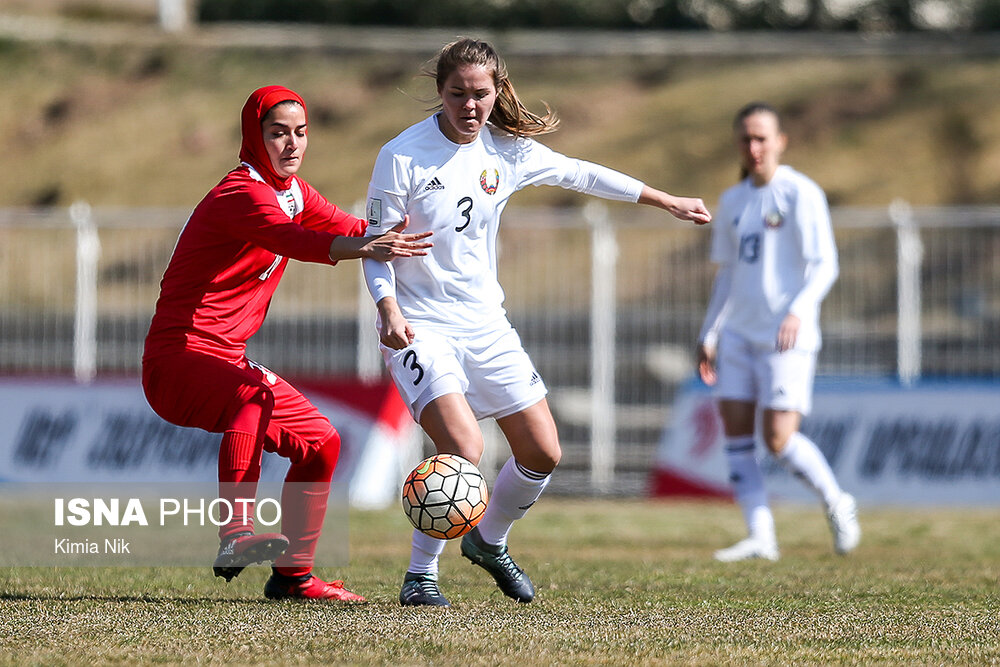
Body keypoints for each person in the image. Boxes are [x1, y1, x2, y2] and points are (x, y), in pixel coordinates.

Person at [362, 38, 712, 607]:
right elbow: (376, 248)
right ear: (439, 93)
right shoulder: (401, 155)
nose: (470, 107)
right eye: (458, 95)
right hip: (420, 322)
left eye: (480, 95)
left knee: (543, 453)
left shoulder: (508, 151)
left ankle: (489, 541)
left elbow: (581, 174)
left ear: (497, 90)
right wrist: (388, 309)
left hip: (486, 324)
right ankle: (420, 576)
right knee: (463, 447)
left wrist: (664, 199)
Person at [142, 85, 432, 601]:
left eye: (300, 132)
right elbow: (293, 240)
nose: (292, 144)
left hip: (226, 360)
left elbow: (352, 228)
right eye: (277, 133)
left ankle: (294, 577)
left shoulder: (294, 191)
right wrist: (362, 244)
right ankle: (234, 535)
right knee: (249, 396)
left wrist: (416, 236)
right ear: (254, 136)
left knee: (322, 443)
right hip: (179, 360)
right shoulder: (241, 192)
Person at [696, 101, 860, 562]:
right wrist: (709, 334)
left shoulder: (800, 193)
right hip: (737, 338)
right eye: (746, 138)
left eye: (762, 138)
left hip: (786, 336)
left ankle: (836, 500)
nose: (754, 147)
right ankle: (761, 535)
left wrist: (799, 310)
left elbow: (825, 264)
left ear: (780, 142)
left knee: (778, 439)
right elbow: (726, 275)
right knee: (736, 436)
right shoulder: (732, 201)